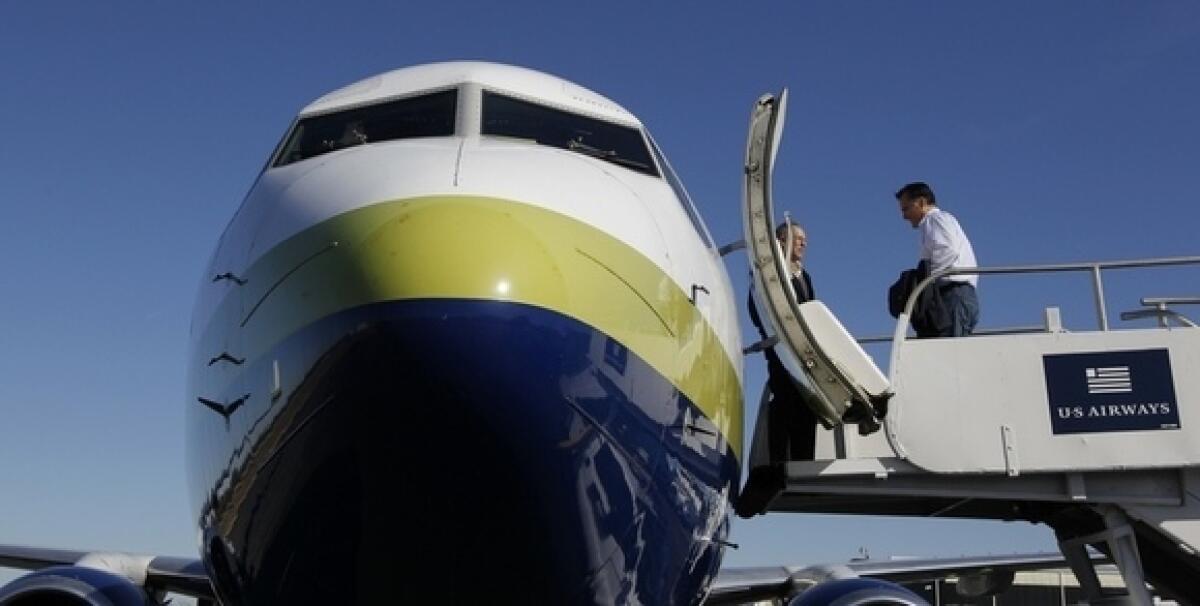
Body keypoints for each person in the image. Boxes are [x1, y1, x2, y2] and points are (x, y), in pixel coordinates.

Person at [737, 221, 819, 517]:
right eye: (798, 239)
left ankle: (801, 461)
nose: (803, 244)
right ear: (781, 241)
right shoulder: (770, 277)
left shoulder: (804, 277)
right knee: (785, 400)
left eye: (804, 239)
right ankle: (774, 467)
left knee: (806, 406)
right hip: (782, 349)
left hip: (805, 354)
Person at [895, 181, 979, 337]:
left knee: (951, 354)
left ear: (921, 203)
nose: (904, 216)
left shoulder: (935, 220)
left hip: (953, 295)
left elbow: (947, 250)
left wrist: (925, 283)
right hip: (953, 295)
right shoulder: (935, 222)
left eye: (906, 208)